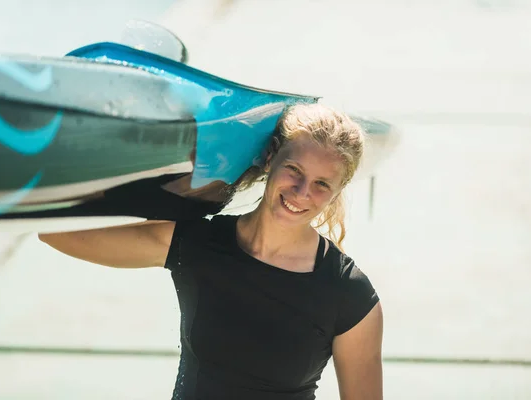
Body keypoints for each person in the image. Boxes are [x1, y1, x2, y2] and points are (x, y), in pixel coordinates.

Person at [38, 102, 384, 400]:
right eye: (294, 170)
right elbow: (58, 234)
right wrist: (162, 187)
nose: (301, 192)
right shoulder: (199, 244)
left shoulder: (348, 295)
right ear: (270, 156)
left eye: (322, 184)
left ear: (337, 192)